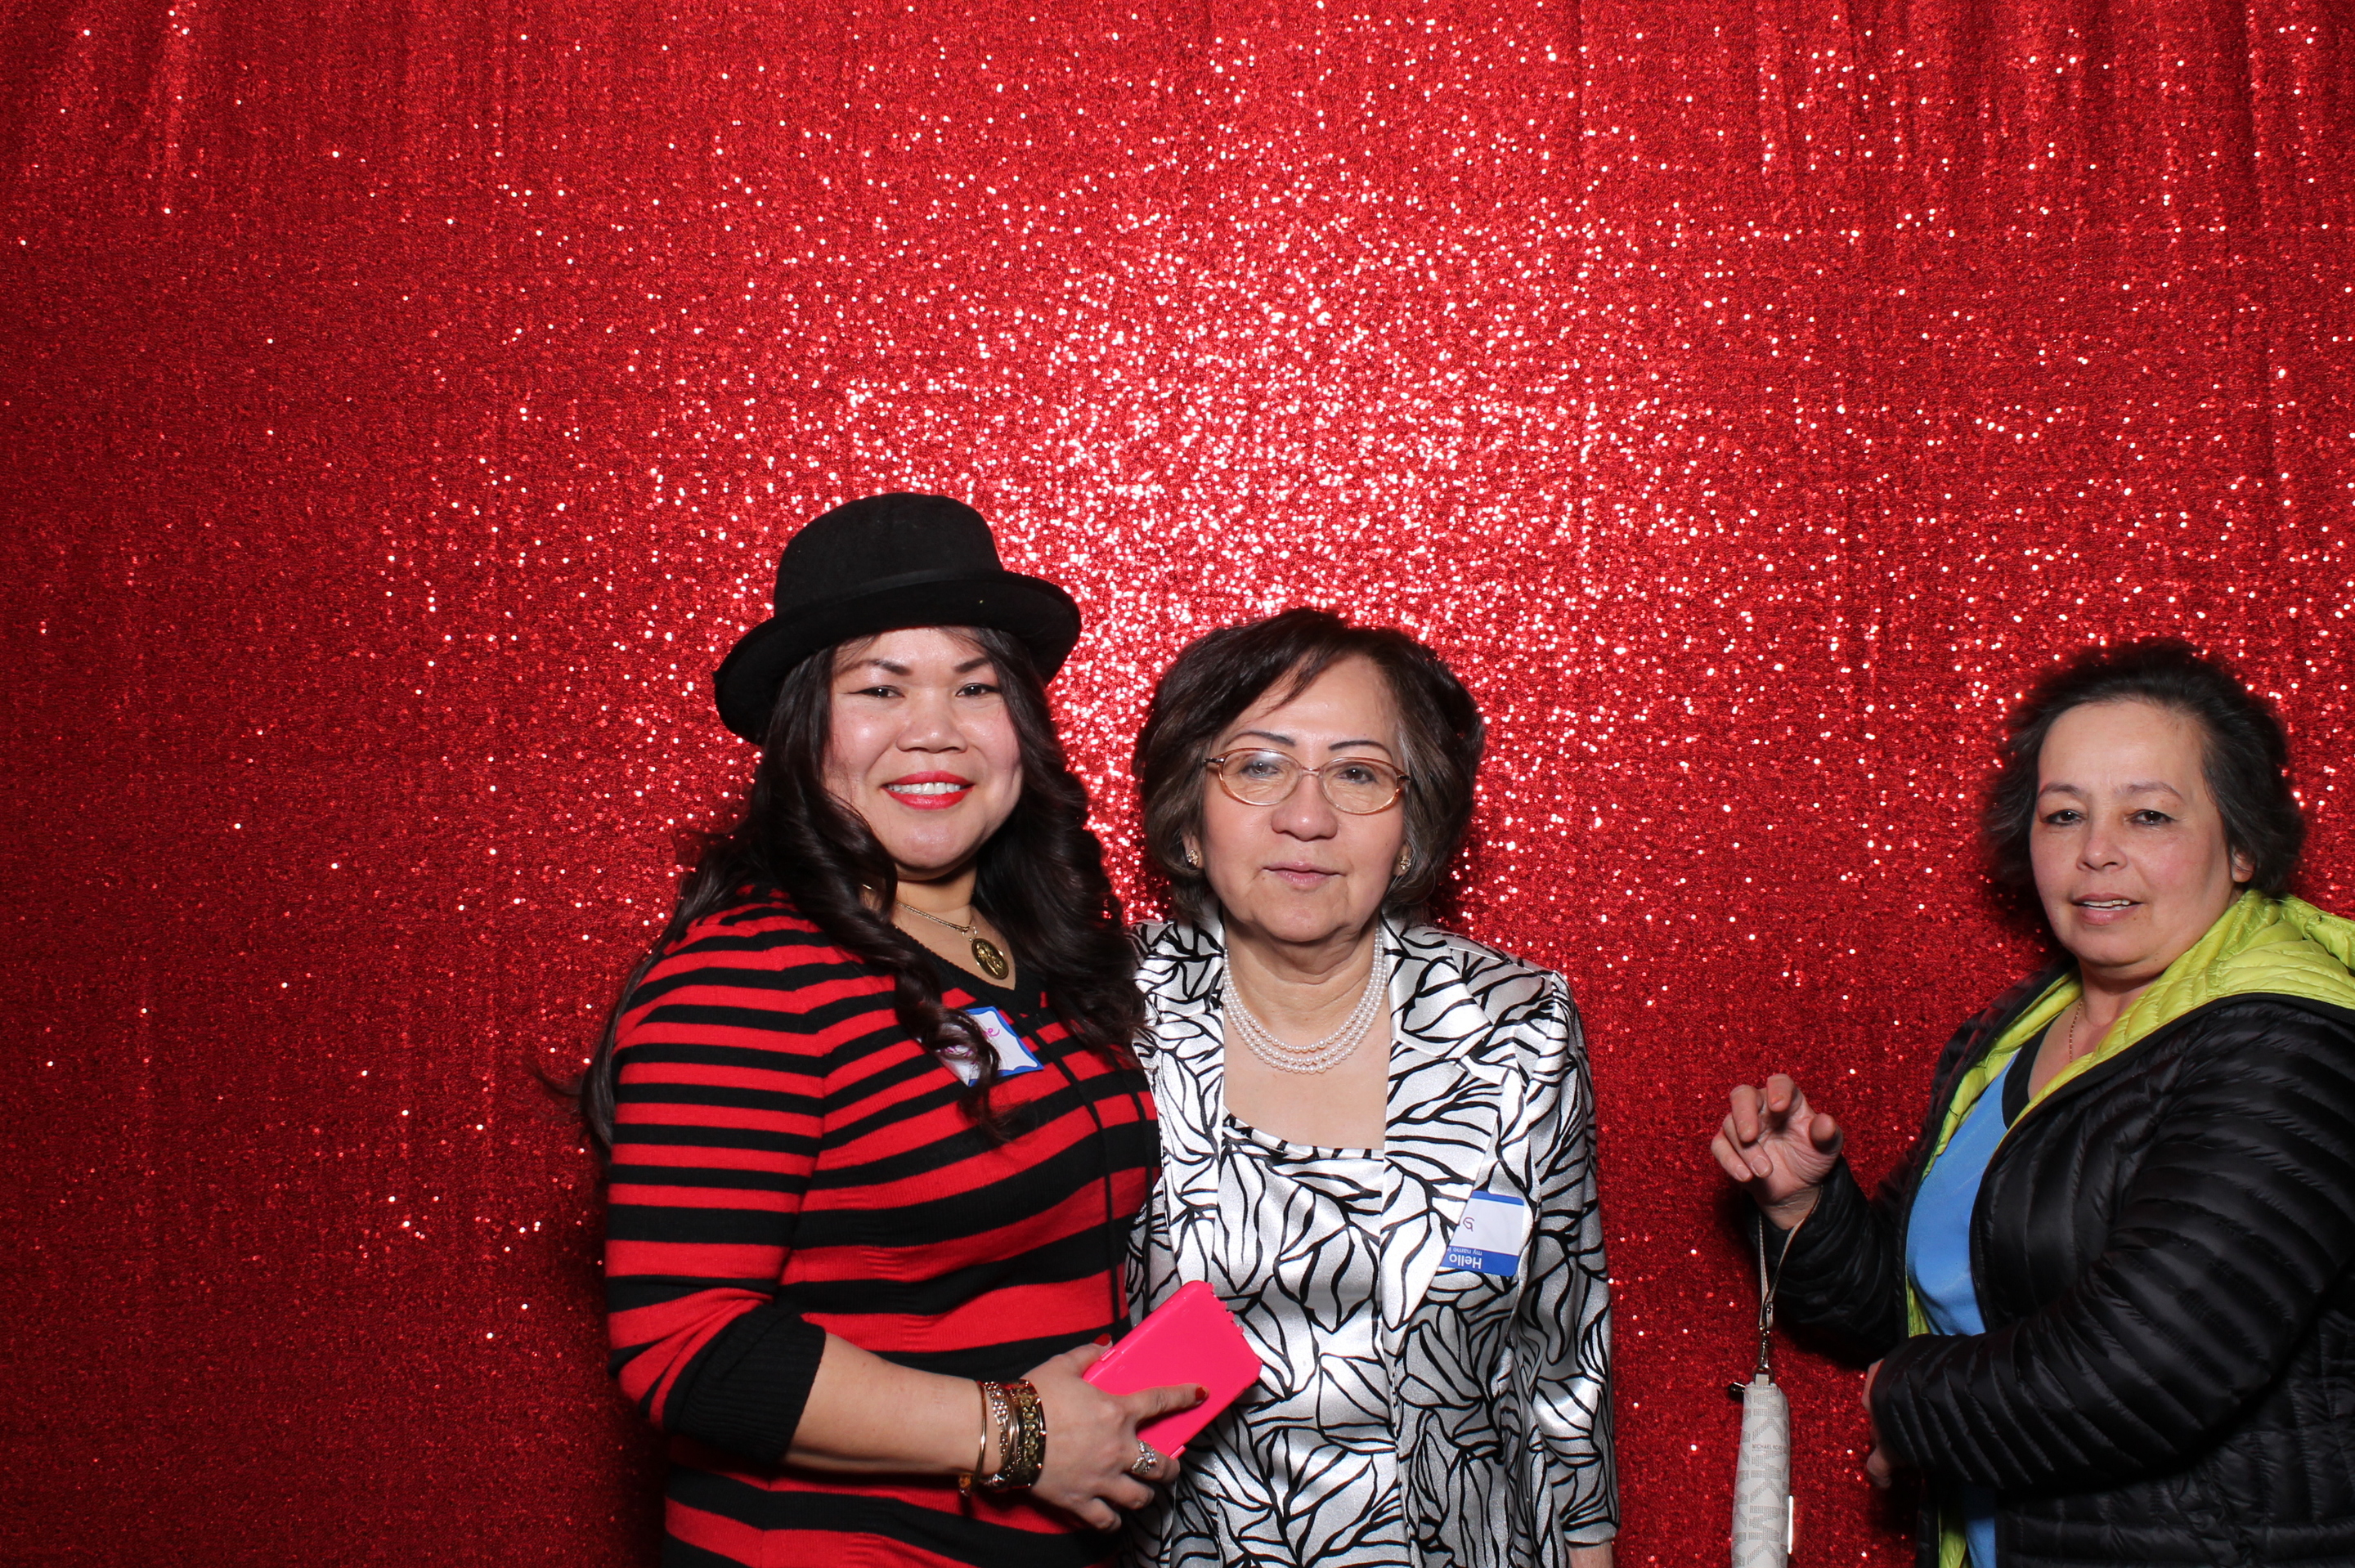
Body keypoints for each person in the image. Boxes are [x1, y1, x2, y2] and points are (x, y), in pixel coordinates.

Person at [585, 494, 1200, 1568]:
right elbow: (683, 1342)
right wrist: (1016, 1431)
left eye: (975, 685)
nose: (934, 728)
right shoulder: (748, 978)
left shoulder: (1035, 953)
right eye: (879, 688)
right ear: (802, 730)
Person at [1711, 639, 2355, 1567]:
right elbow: (1924, 1307)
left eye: (2148, 814)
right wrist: (1803, 1205)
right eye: (2064, 814)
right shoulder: (2014, 1035)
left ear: (2245, 845)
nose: (2096, 852)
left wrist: (1903, 1401)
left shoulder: (2291, 1042)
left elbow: (2148, 1367)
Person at [1121, 607, 1618, 1568]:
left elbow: (1564, 1361)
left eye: (1357, 773)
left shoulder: (1518, 1026)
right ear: (1189, 814)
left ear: (1413, 821)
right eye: (1258, 765)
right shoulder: (1107, 1017)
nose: (1307, 817)